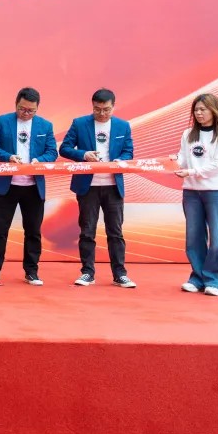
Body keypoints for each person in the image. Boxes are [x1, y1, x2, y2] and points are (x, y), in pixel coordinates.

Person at [59, 88, 136, 288]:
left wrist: (121, 160)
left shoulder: (123, 126)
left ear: (113, 107)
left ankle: (120, 274)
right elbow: (64, 148)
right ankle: (87, 273)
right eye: (97, 109)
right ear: (92, 106)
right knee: (87, 231)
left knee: (115, 232)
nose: (101, 113)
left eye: (106, 110)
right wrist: (83, 154)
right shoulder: (79, 123)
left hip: (113, 186)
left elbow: (129, 151)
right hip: (88, 186)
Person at [0, 87, 58, 286]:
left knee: (33, 231)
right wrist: (8, 157)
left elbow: (52, 152)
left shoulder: (45, 125)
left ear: (37, 108)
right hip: (7, 185)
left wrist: (39, 161)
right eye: (22, 109)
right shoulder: (2, 121)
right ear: (16, 104)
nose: (26, 113)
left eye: (31, 111)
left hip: (33, 186)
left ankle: (31, 271)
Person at [174, 93, 218, 297]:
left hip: (216, 191)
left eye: (203, 109)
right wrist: (171, 163)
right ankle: (198, 277)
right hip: (191, 192)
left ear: (214, 110)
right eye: (196, 110)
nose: (199, 113)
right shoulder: (188, 134)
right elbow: (183, 158)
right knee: (194, 238)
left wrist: (193, 171)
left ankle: (216, 281)